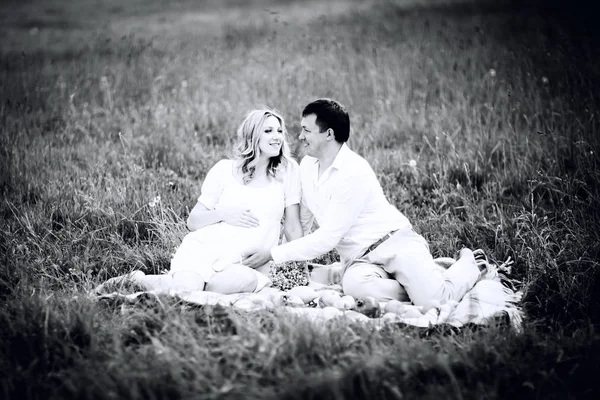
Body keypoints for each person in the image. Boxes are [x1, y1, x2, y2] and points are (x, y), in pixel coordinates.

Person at [242, 99, 482, 307]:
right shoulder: (307, 166)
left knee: (435, 301)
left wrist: (273, 254)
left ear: (329, 134)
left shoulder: (353, 171)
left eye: (306, 130)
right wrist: (289, 267)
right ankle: (418, 284)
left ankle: (469, 263)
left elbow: (327, 238)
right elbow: (304, 221)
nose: (299, 136)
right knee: (356, 289)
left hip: (394, 243)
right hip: (358, 260)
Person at [100, 109, 303, 295]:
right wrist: (223, 214)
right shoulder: (224, 170)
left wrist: (289, 261)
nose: (277, 136)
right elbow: (193, 221)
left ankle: (166, 282)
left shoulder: (288, 171)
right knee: (188, 290)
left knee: (242, 281)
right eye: (268, 131)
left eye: (279, 131)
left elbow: (292, 226)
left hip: (243, 264)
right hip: (205, 250)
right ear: (252, 135)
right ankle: (138, 280)